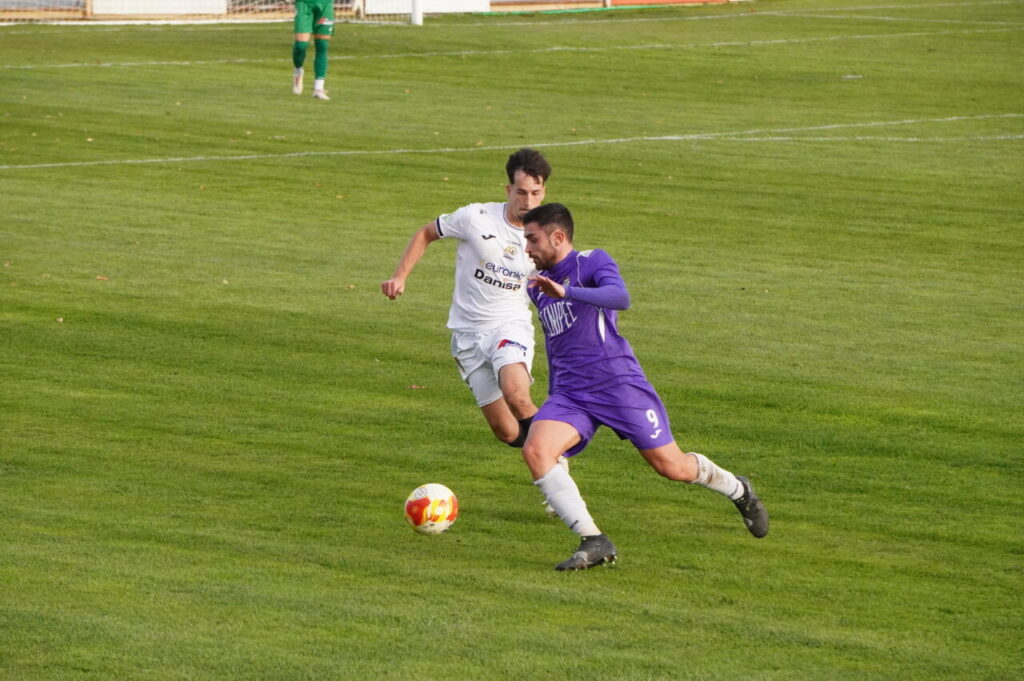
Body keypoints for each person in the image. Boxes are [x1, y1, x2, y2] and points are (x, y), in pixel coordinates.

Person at [520, 202, 769, 571]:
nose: (527, 248)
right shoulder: (537, 286)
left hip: (617, 385)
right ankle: (593, 539)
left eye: (533, 239)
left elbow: (620, 297)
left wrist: (568, 293)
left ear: (558, 237)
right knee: (536, 450)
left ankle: (738, 489)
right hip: (571, 393)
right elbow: (558, 345)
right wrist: (555, 396)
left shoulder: (591, 262)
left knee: (672, 467)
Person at [381, 149, 552, 451]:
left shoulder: (546, 236)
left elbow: (560, 279)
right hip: (467, 336)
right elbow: (426, 234)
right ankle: (546, 456)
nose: (528, 202)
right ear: (508, 189)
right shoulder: (475, 217)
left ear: (544, 192)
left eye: (535, 193)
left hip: (509, 326)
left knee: (517, 396)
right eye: (521, 192)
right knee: (505, 430)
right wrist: (400, 276)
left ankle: (555, 453)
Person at [292, 0, 334, 100]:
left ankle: (319, 88)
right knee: (301, 45)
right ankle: (298, 71)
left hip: (325, 4)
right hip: (304, 4)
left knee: (322, 45)